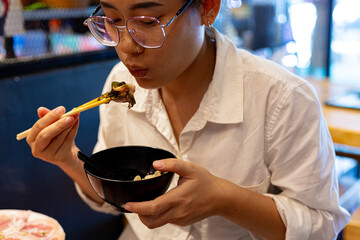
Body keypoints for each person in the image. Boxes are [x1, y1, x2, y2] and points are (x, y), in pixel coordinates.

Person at [25, 0, 350, 239]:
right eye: (111, 20)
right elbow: (117, 197)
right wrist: (67, 159)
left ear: (208, 8)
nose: (126, 47)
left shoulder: (281, 97)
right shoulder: (120, 82)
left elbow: (321, 225)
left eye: (149, 22)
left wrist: (226, 200)